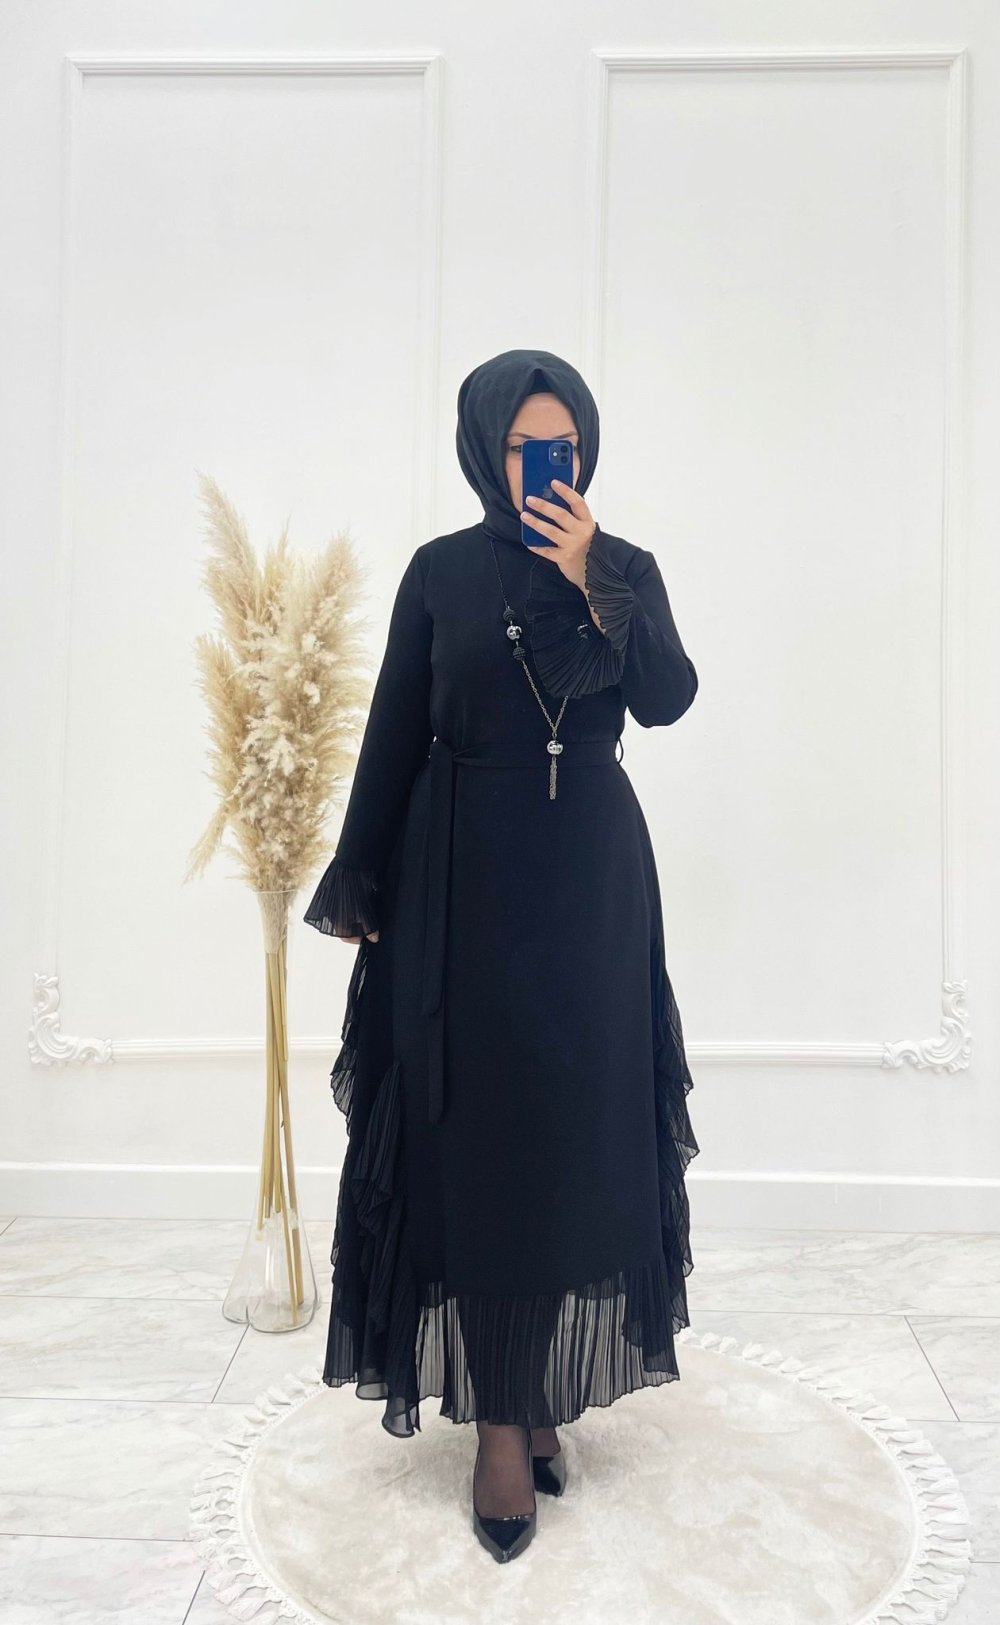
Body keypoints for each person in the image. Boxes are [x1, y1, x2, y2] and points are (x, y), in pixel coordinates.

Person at [303, 347, 701, 1563]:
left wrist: (591, 576)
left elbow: (668, 697)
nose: (549, 466)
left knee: (573, 1128)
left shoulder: (624, 566)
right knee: (476, 1133)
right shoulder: (439, 572)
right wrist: (361, 874)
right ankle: (502, 1422)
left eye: (565, 446)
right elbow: (393, 729)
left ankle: (532, 1391)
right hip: (459, 876)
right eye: (529, 447)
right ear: (486, 448)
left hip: (588, 884)